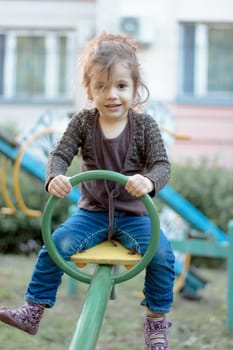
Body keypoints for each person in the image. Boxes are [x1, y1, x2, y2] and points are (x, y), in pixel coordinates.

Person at [0, 32, 175, 350]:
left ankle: (156, 322)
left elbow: (162, 165)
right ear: (89, 90)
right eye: (101, 86)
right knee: (55, 245)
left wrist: (149, 181)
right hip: (92, 214)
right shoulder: (82, 122)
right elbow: (61, 154)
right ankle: (33, 310)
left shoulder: (145, 126)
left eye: (121, 86)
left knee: (162, 255)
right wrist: (55, 176)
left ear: (135, 88)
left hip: (134, 215)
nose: (112, 95)